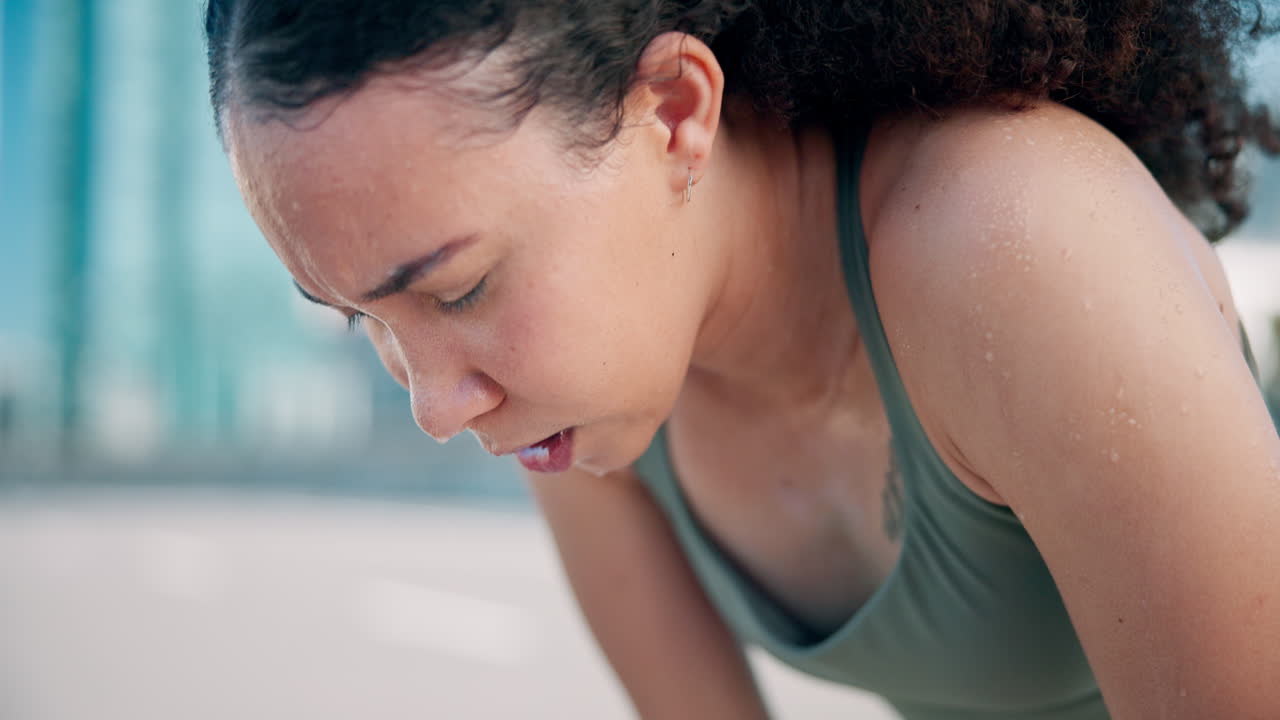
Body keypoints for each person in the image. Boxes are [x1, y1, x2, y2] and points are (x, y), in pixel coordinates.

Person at [204, 2, 1280, 717]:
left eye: (460, 289)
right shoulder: (577, 398)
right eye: (363, 319)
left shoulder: (1016, 247)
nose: (435, 405)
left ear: (673, 112)